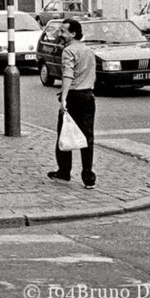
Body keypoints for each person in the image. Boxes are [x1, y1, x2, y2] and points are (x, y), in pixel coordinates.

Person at [49, 17, 97, 188]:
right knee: (87, 137)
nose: (59, 34)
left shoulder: (68, 51)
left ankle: (64, 172)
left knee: (64, 133)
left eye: (63, 31)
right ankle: (88, 176)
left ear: (73, 34)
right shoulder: (88, 51)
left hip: (74, 97)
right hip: (88, 95)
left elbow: (68, 75)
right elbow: (91, 74)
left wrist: (64, 97)